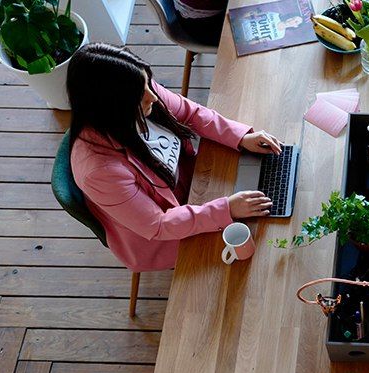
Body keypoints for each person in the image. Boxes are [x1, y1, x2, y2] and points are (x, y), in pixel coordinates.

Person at [67, 43, 283, 272]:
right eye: (142, 95)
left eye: (149, 84)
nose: (154, 96)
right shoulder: (99, 172)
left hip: (194, 186)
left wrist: (240, 137)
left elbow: (190, 113)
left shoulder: (136, 90)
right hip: (163, 235)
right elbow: (158, 224)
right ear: (112, 107)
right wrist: (226, 209)